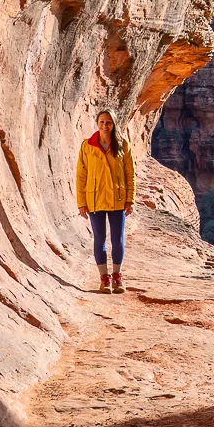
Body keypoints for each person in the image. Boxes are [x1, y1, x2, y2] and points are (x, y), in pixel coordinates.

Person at [76, 109, 134, 293]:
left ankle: (117, 276)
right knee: (99, 239)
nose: (105, 126)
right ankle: (104, 279)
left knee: (117, 239)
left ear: (113, 124)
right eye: (102, 122)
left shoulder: (123, 145)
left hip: (117, 198)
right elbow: (81, 175)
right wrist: (81, 203)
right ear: (97, 123)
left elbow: (129, 174)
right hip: (95, 199)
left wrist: (130, 200)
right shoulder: (87, 146)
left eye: (108, 122)